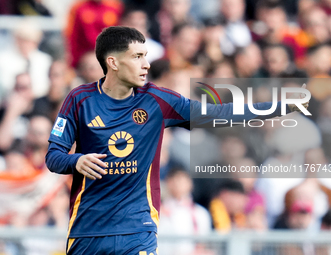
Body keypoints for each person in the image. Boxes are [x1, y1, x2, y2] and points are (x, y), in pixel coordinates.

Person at [45, 26, 308, 254]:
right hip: (87, 230)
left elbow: (221, 113)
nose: (146, 64)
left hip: (137, 231)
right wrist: (76, 161)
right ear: (113, 62)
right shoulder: (79, 100)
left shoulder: (158, 100)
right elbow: (54, 156)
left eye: (145, 56)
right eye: (137, 57)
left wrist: (281, 106)